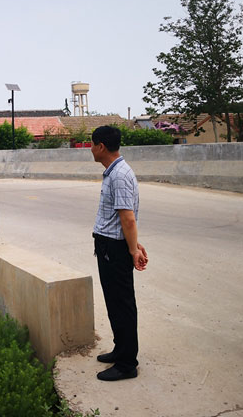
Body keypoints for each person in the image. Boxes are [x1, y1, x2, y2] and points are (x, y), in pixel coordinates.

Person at [90, 125, 148, 381]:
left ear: (101, 146)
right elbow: (123, 220)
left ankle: (126, 364)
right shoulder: (114, 172)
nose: (90, 149)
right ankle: (120, 349)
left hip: (114, 249)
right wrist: (134, 244)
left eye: (92, 144)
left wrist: (133, 249)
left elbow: (128, 218)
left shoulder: (119, 175)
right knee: (114, 302)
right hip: (109, 245)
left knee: (122, 304)